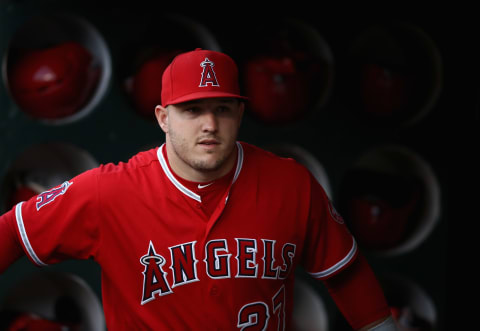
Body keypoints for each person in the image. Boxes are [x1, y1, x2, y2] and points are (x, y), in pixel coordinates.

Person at [0, 48, 398, 330]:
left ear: (240, 114)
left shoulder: (290, 184)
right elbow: (11, 233)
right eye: (192, 110)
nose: (209, 123)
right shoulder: (110, 192)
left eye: (222, 109)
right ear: (163, 118)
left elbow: (345, 272)